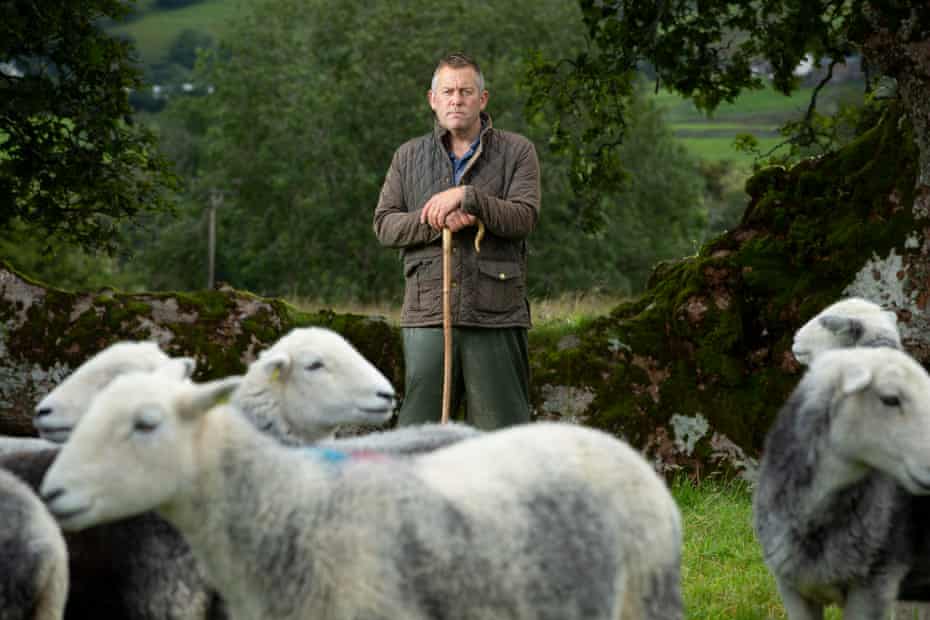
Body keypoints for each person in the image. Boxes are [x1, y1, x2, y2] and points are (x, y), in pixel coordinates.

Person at [373, 52, 541, 431]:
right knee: (420, 438)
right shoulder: (408, 156)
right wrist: (435, 218)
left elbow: (525, 217)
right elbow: (385, 225)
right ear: (432, 99)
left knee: (502, 440)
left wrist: (470, 198)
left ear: (482, 99)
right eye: (447, 91)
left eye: (466, 91)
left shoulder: (518, 152)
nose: (456, 99)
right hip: (428, 312)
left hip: (495, 313)